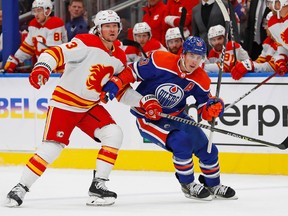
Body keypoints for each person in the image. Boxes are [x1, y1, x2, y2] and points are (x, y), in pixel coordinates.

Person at [4, 9, 130, 207]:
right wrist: (43, 66)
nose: (112, 29)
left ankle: (99, 185)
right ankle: (20, 188)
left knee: (114, 133)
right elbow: (55, 52)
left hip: (89, 107)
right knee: (51, 148)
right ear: (98, 29)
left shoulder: (120, 57)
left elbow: (121, 89)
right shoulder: (85, 42)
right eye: (107, 26)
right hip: (65, 104)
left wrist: (145, 104)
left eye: (115, 25)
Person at [102, 36, 238, 201]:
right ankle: (187, 184)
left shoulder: (201, 78)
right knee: (181, 142)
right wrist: (116, 82)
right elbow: (132, 71)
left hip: (177, 116)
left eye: (198, 57)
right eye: (191, 56)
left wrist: (212, 109)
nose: (194, 61)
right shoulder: (161, 60)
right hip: (148, 118)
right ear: (183, 53)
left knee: (208, 149)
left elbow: (204, 109)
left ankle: (213, 184)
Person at [4, 0, 68, 73]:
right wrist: (15, 60)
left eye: (39, 11)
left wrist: (42, 67)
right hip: (44, 68)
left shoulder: (56, 23)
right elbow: (27, 47)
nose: (36, 14)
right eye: (34, 11)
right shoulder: (33, 24)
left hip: (59, 70)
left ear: (47, 11)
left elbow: (53, 52)